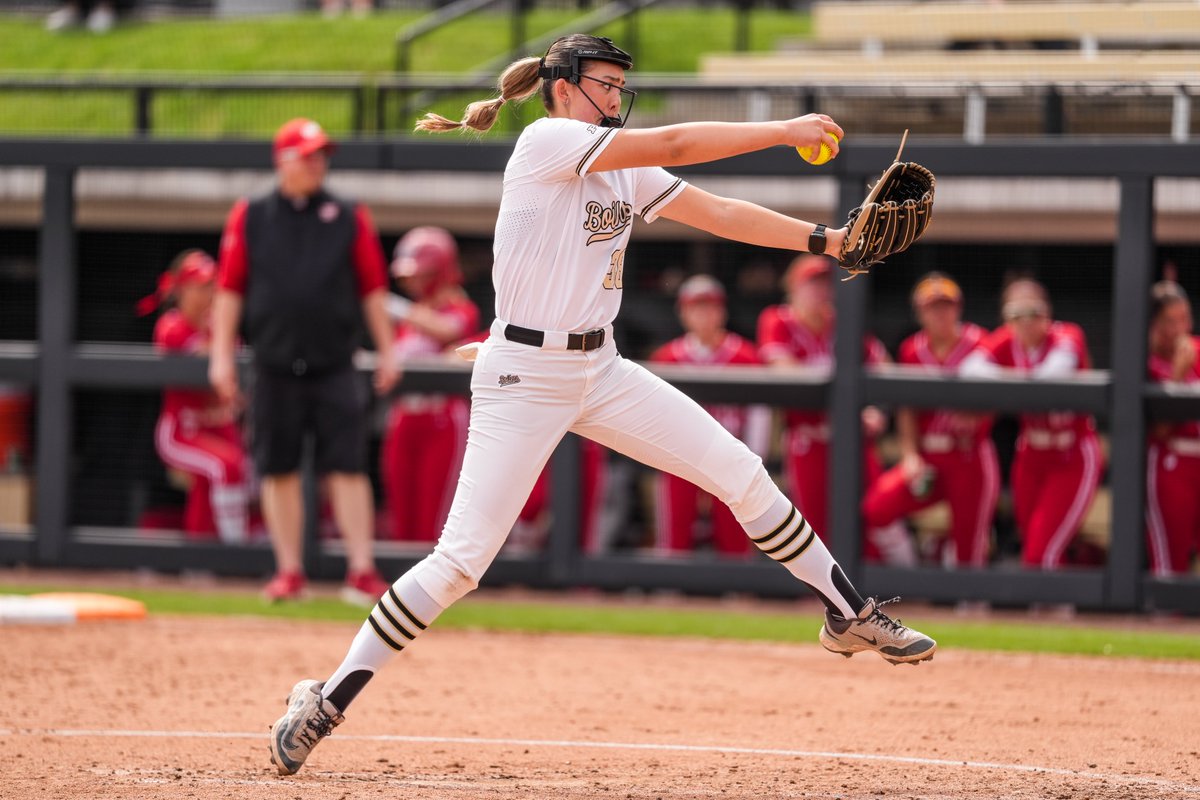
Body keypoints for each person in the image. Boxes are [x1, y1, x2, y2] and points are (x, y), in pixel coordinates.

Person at [267, 34, 935, 777]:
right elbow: (677, 142)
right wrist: (784, 129)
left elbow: (718, 211)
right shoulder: (547, 139)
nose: (616, 96)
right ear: (563, 87)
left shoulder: (620, 166)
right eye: (604, 84)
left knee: (742, 472)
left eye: (621, 85)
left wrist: (828, 241)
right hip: (525, 373)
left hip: (602, 368)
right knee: (460, 564)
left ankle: (849, 613)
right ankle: (324, 700)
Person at [209, 117, 398, 605]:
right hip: (272, 363)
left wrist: (388, 349)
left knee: (349, 466)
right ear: (284, 159)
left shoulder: (348, 212)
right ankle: (289, 572)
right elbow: (229, 289)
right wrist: (220, 357)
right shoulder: (251, 213)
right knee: (279, 468)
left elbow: (372, 286)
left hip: (335, 361)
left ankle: (361, 570)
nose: (318, 164)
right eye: (309, 155)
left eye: (322, 156)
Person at [756, 254, 916, 566]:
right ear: (793, 287)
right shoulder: (778, 320)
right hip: (809, 439)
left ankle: (903, 584)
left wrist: (875, 409)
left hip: (852, 441)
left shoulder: (843, 323)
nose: (820, 292)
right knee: (815, 531)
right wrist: (843, 392)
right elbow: (783, 370)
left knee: (875, 516)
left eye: (825, 285)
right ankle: (824, 593)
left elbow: (884, 367)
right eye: (811, 284)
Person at [961, 277, 1103, 570]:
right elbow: (969, 368)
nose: (1026, 322)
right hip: (1031, 456)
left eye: (1034, 312)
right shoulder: (1006, 340)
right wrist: (1014, 377)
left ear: (1047, 313)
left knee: (1041, 554)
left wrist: (1006, 379)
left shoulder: (1066, 334)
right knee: (1034, 547)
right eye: (1017, 314)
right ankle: (1061, 599)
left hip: (1071, 453)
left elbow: (1053, 375)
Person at [861, 273, 999, 567]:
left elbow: (999, 397)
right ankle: (908, 575)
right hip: (928, 457)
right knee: (877, 508)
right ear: (919, 312)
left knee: (968, 547)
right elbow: (907, 409)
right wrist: (910, 455)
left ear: (958, 308)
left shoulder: (981, 342)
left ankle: (961, 590)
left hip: (969, 455)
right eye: (932, 307)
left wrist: (977, 413)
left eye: (946, 306)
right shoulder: (912, 348)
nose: (940, 314)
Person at [649, 274, 769, 557]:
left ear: (722, 311)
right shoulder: (666, 358)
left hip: (730, 457)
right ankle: (671, 583)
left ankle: (737, 583)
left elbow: (760, 414)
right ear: (683, 313)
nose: (704, 314)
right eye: (696, 307)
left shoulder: (746, 355)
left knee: (734, 540)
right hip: (679, 460)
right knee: (675, 539)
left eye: (710, 306)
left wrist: (755, 457)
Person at [141, 250, 250, 545]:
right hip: (182, 432)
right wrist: (221, 341)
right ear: (181, 290)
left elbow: (237, 364)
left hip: (220, 427)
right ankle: (235, 553)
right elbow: (205, 359)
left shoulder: (219, 324)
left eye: (212, 285)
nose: (209, 293)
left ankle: (202, 555)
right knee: (225, 466)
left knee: (246, 471)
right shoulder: (171, 326)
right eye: (200, 286)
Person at [380, 227, 480, 542]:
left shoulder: (460, 308)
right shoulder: (409, 319)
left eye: (421, 274)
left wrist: (389, 305)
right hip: (405, 418)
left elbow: (447, 330)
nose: (413, 282)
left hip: (442, 420)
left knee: (433, 523)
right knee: (402, 521)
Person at [1145, 280, 1200, 576]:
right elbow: (1161, 429)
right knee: (1171, 561)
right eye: (1171, 320)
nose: (1182, 328)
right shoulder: (1145, 362)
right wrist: (1178, 374)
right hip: (1171, 463)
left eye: (1185, 318)